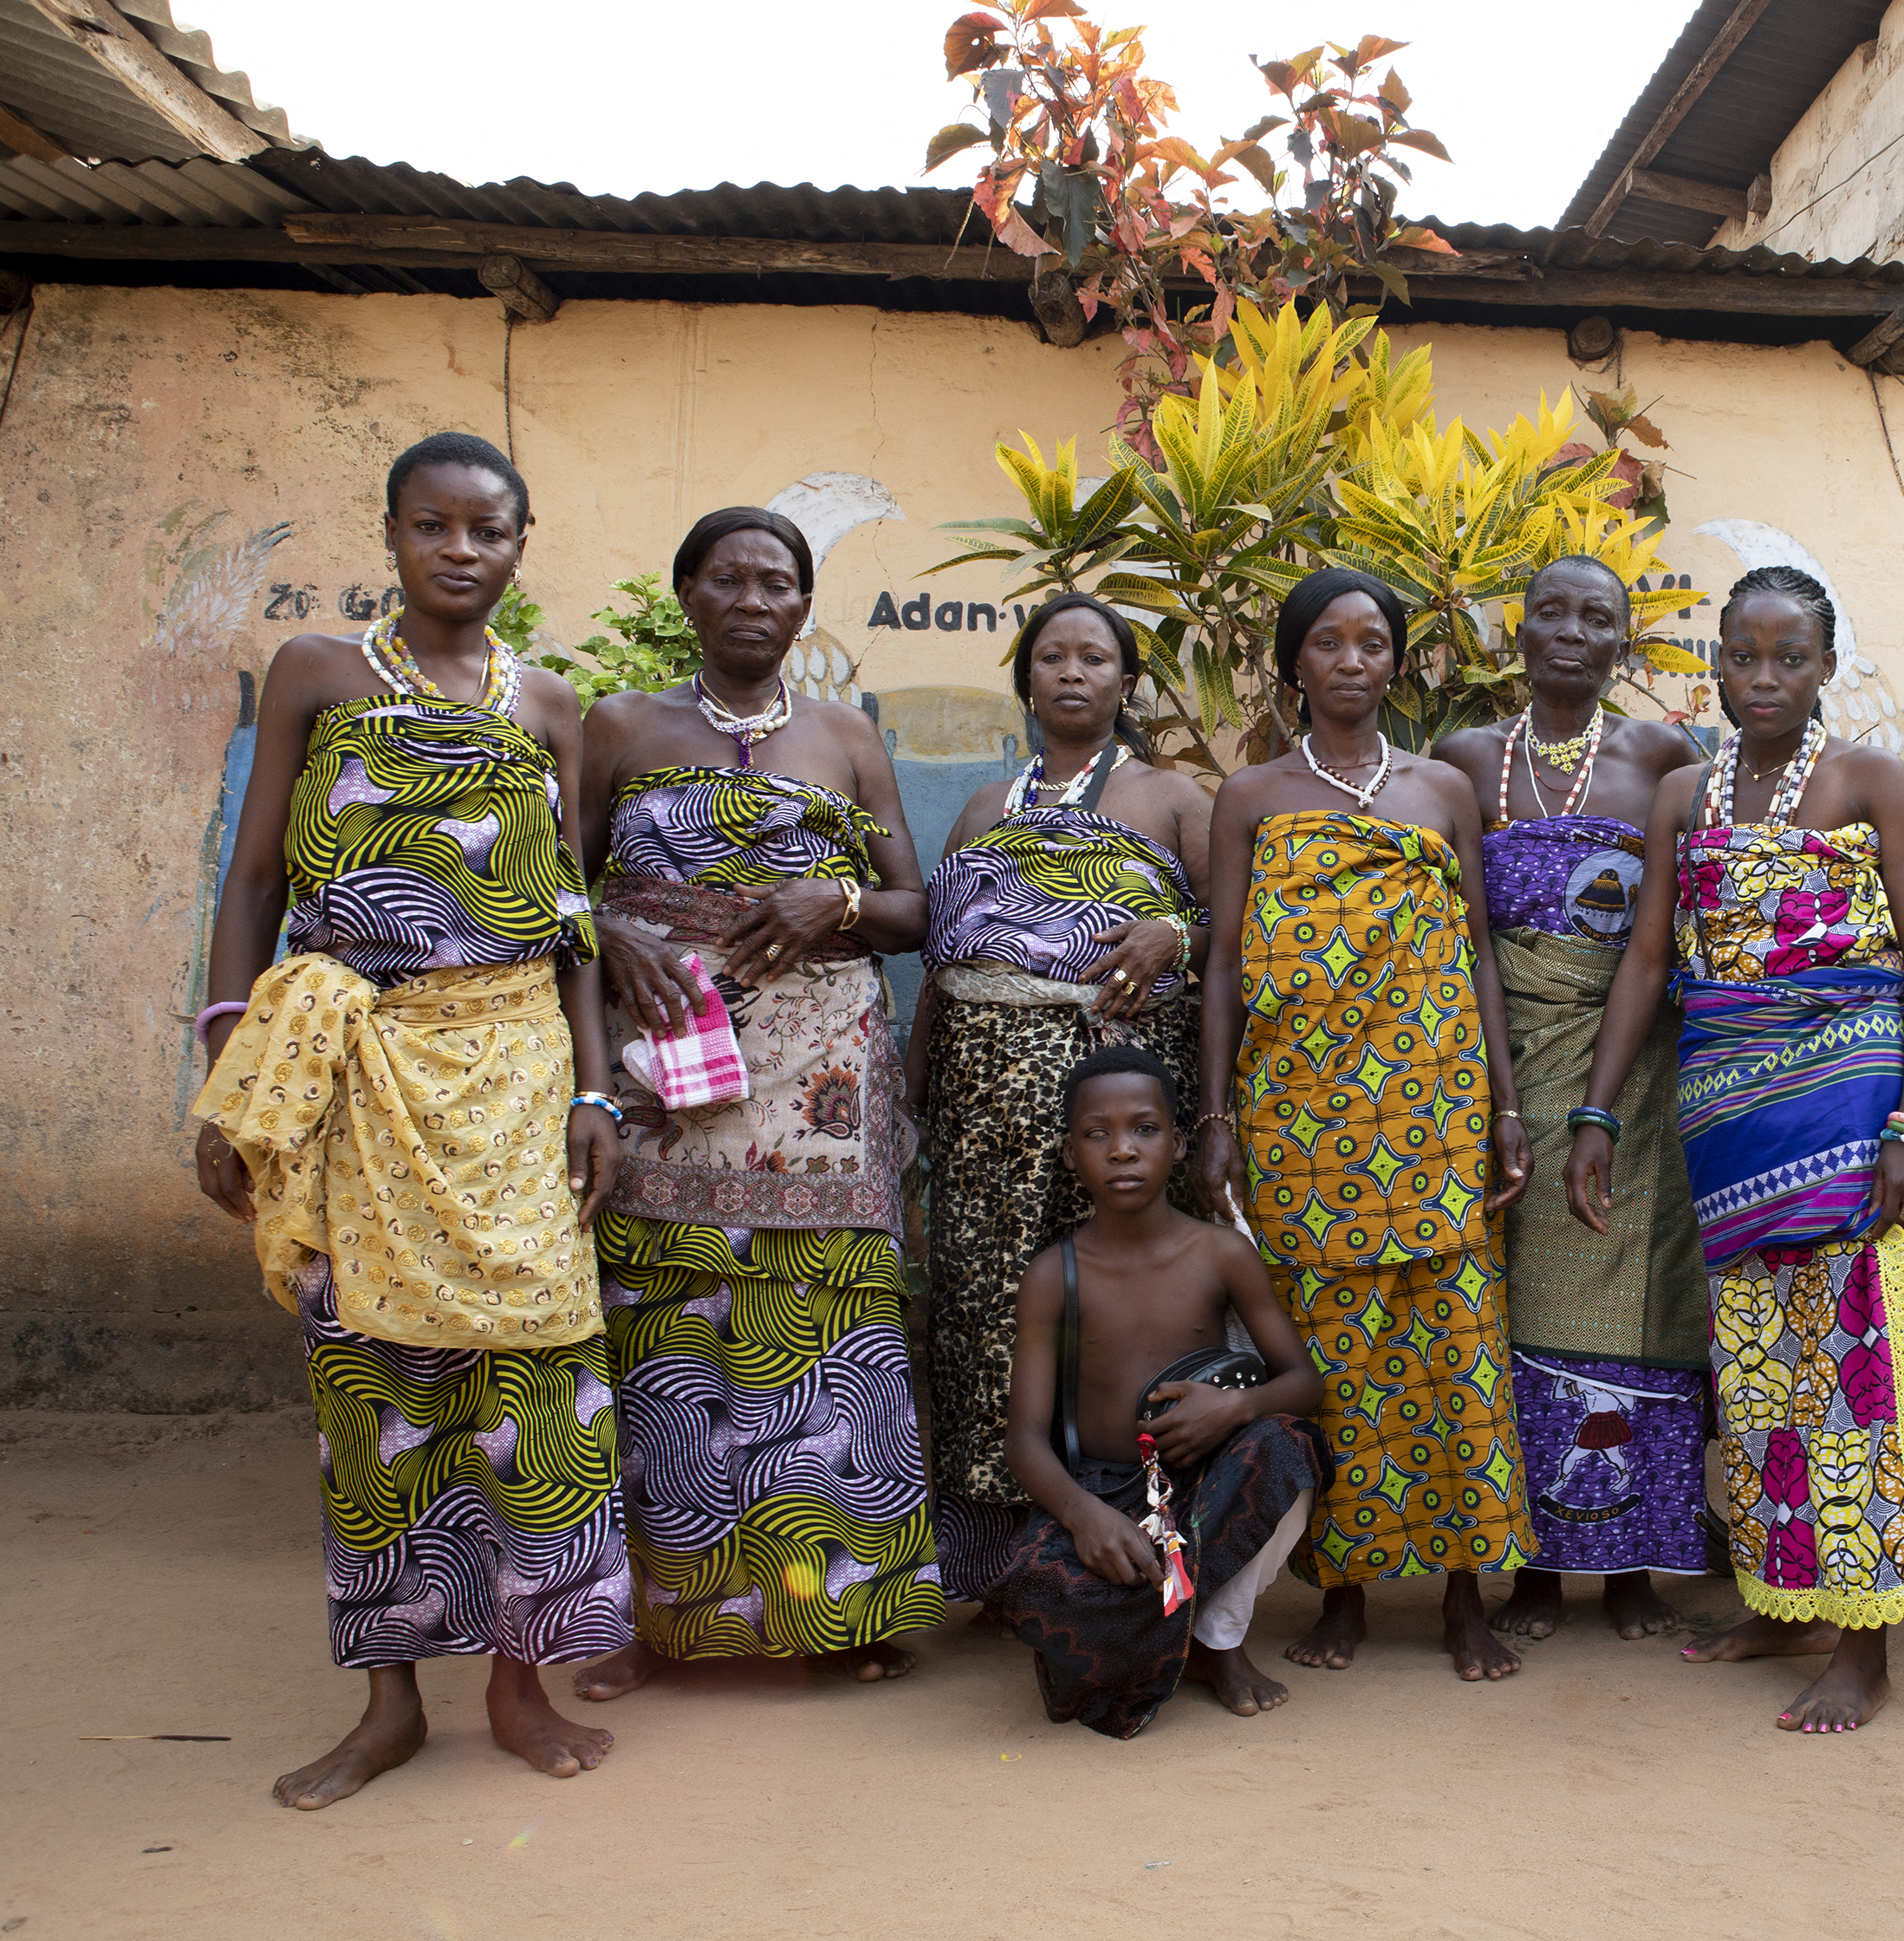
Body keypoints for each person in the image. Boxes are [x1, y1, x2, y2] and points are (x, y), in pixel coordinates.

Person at [189, 432, 631, 1808]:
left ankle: (519, 1682)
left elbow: (573, 932)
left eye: (486, 531)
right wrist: (230, 1075)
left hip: (510, 1079)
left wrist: (595, 1088)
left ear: (519, 545)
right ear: (390, 537)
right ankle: (389, 1706)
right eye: (431, 526)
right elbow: (256, 875)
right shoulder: (317, 674)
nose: (459, 550)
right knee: (366, 1384)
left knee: (539, 1386)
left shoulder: (556, 706)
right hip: (353, 1075)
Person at [1565, 564, 1904, 1733]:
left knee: (1854, 1380)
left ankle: (1867, 1649)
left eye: (1788, 658)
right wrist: (1596, 1111)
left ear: (1825, 668)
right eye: (1742, 658)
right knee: (1756, 1383)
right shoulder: (1686, 794)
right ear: (1716, 667)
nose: (1763, 679)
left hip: (1846, 1115)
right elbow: (1649, 961)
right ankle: (1787, 1597)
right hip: (1728, 1127)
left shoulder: (1870, 782)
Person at [570, 506, 946, 1699]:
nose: (751, 598)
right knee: (665, 1336)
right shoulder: (620, 726)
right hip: (666, 1068)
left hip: (820, 1084)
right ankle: (663, 1624)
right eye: (725, 578)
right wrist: (615, 929)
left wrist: (827, 901)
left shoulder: (846, 736)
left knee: (825, 1346)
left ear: (802, 604)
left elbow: (917, 910)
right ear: (686, 593)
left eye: (775, 581)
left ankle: (839, 1612)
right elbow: (554, 893)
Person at [1195, 567, 1539, 1682]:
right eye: (1330, 642)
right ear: (1294, 663)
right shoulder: (1248, 795)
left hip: (1433, 1107)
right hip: (1298, 1113)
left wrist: (1504, 1102)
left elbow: (1480, 949)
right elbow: (1222, 967)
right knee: (1330, 1355)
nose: (1354, 659)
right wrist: (1217, 1115)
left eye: (1374, 642)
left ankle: (1462, 1596)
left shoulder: (1442, 789)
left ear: (1398, 662)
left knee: (1456, 1350)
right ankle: (1338, 1588)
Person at [909, 592, 1212, 1603]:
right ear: (1027, 679)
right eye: (1051, 656)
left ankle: (1133, 1545)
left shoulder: (1172, 799)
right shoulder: (985, 807)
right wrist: (914, 1105)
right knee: (987, 1320)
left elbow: (1242, 932)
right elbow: (945, 963)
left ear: (1127, 681)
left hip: (1119, 1110)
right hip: (984, 1114)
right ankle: (1001, 1569)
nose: (1072, 672)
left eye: (1095, 656)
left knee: (1112, 1321)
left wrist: (1184, 935)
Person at [1433, 555, 1709, 1642]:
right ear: (1520, 628)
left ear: (1623, 641)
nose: (1570, 632)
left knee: (1644, 1307)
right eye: (1550, 610)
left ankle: (1634, 1557)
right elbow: (1455, 937)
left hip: (1639, 1070)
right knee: (1523, 1313)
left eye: (1598, 618)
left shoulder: (1667, 758)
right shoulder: (1464, 760)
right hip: (1509, 1067)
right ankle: (1540, 1566)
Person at [986, 1045, 1327, 1737]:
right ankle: (1156, 1632)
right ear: (1069, 1153)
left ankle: (1214, 1644)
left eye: (1143, 1129)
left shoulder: (1221, 1254)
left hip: (1206, 1489)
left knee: (1288, 1449)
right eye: (1096, 1134)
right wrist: (1085, 1517)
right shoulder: (1055, 1275)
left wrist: (1236, 1406)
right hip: (1108, 1494)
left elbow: (1304, 1382)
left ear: (1176, 1145)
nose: (1121, 1151)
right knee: (1033, 1585)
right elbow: (1024, 1439)